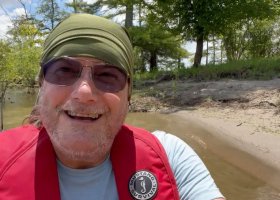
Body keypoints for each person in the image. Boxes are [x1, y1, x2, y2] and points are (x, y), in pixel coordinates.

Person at [0, 14, 225, 200]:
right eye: (65, 71)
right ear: (42, 83)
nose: (84, 93)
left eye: (107, 75)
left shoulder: (172, 157)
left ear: (128, 92)